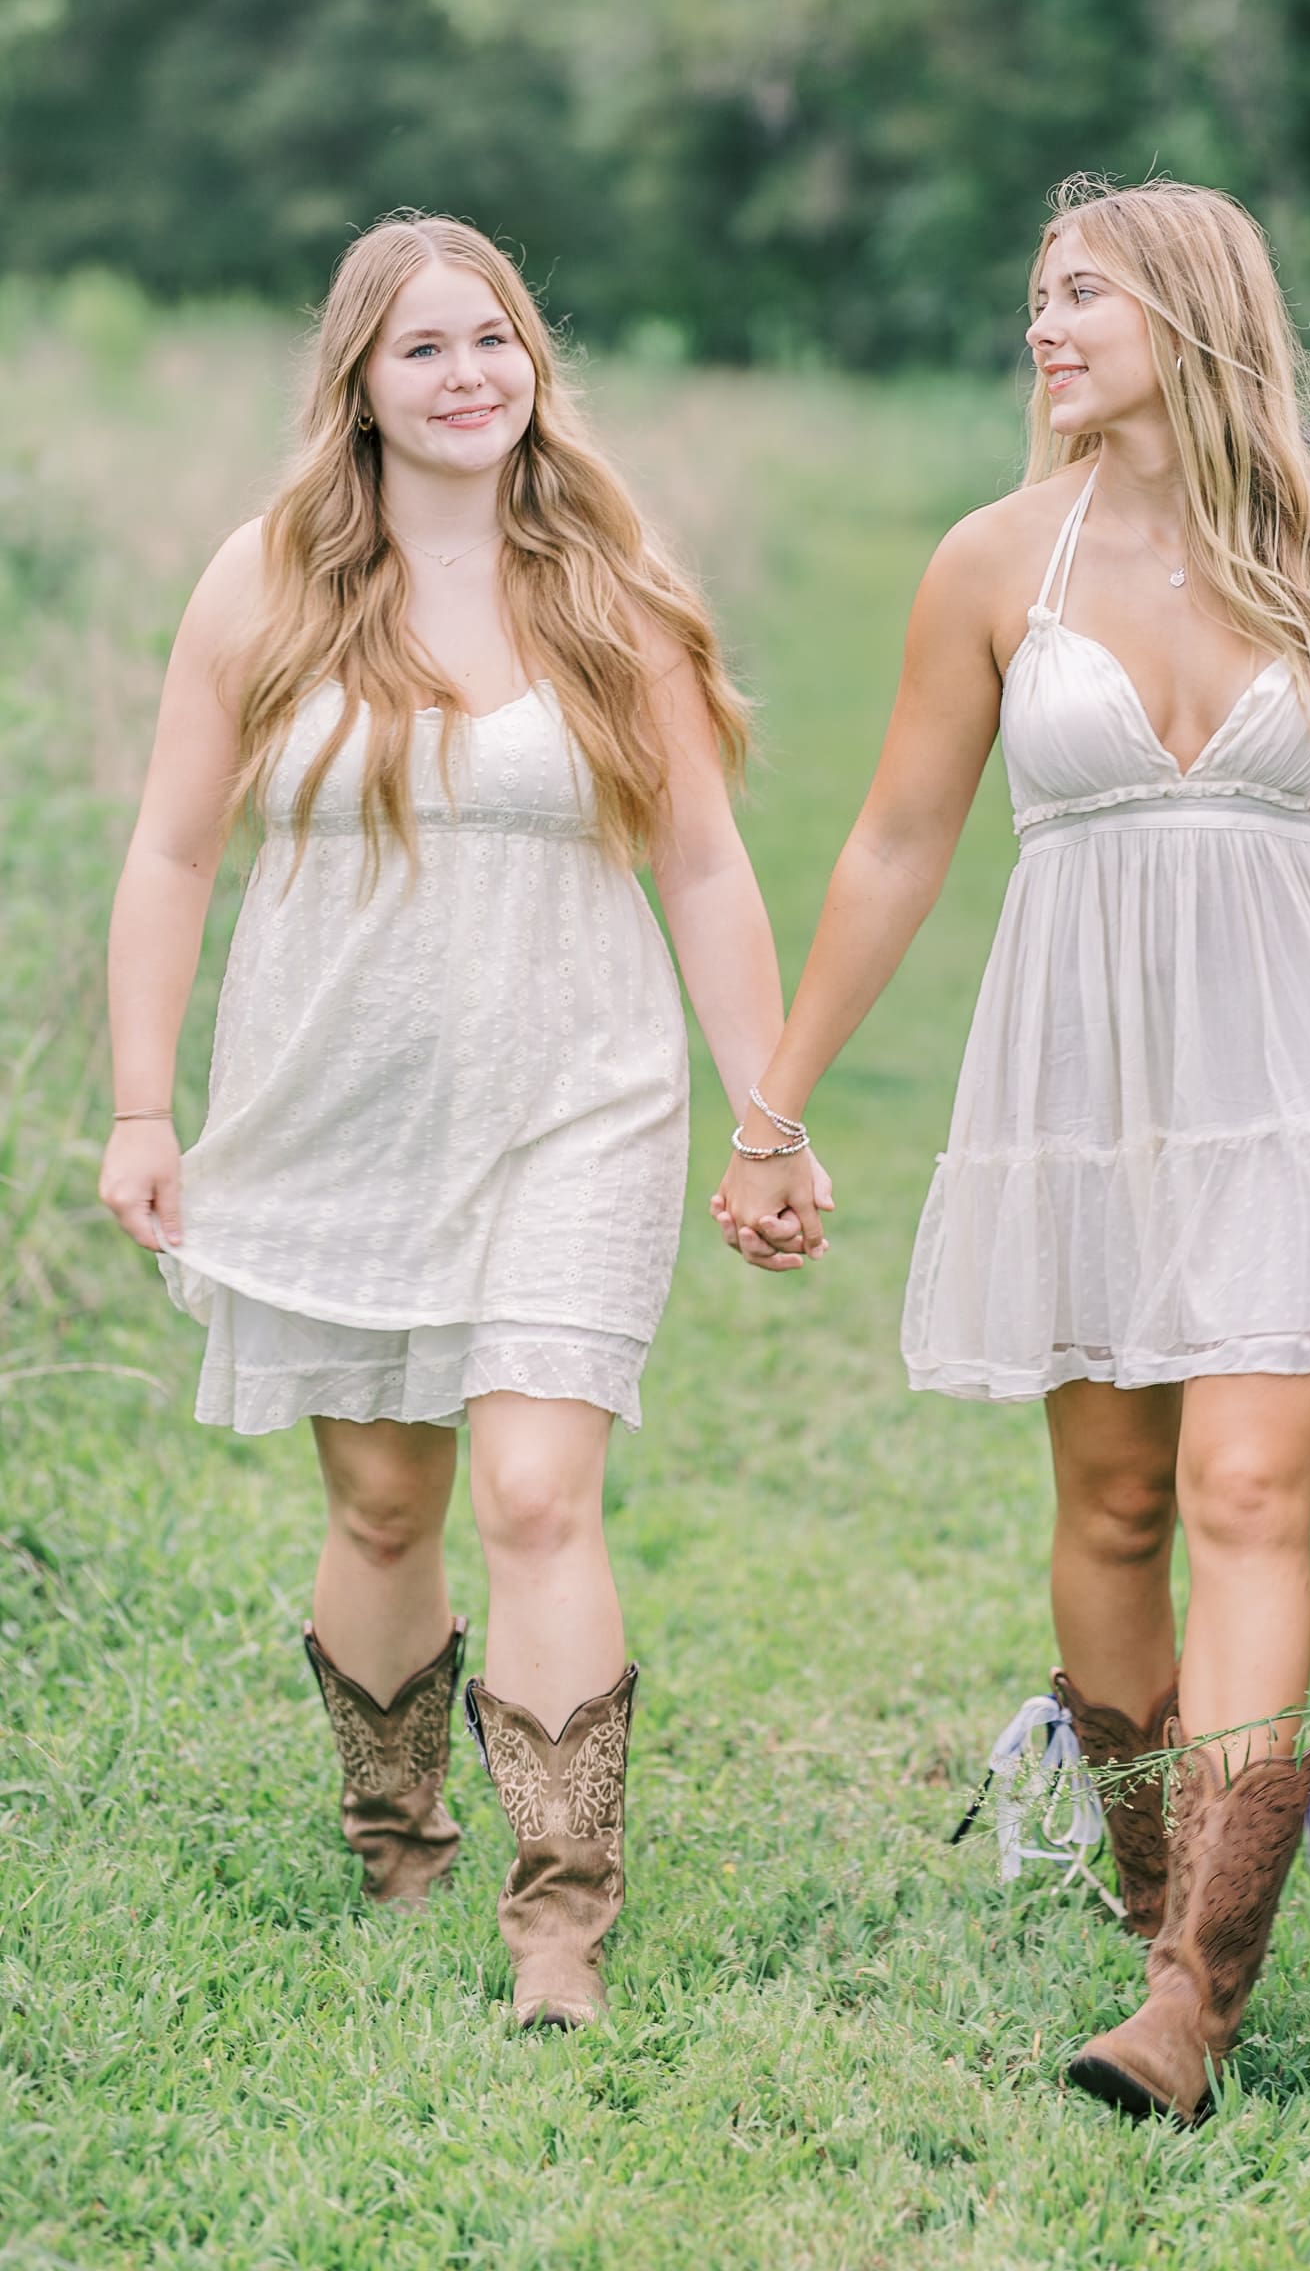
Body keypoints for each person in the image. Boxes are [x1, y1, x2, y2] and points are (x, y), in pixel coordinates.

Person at [713, 175, 1310, 2123]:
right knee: (1112, 1504)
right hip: (1079, 1087)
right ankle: (1151, 1878)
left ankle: (1196, 1989)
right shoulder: (990, 562)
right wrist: (772, 1106)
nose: (1044, 326)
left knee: (1246, 1487)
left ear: (1189, 313)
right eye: (1035, 295)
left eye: (1080, 292)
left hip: (1296, 1075)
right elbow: (894, 844)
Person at [99, 211, 819, 2030]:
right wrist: (137, 1105)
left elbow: (708, 868)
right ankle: (398, 1832)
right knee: (381, 1487)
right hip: (330, 1105)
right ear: (358, 379)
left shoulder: (607, 584)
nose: (467, 374)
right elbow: (174, 852)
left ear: (533, 362)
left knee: (534, 1485)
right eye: (423, 347)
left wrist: (770, 1108)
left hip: (579, 1095)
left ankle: (560, 1914)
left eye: (492, 338)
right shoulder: (262, 584)